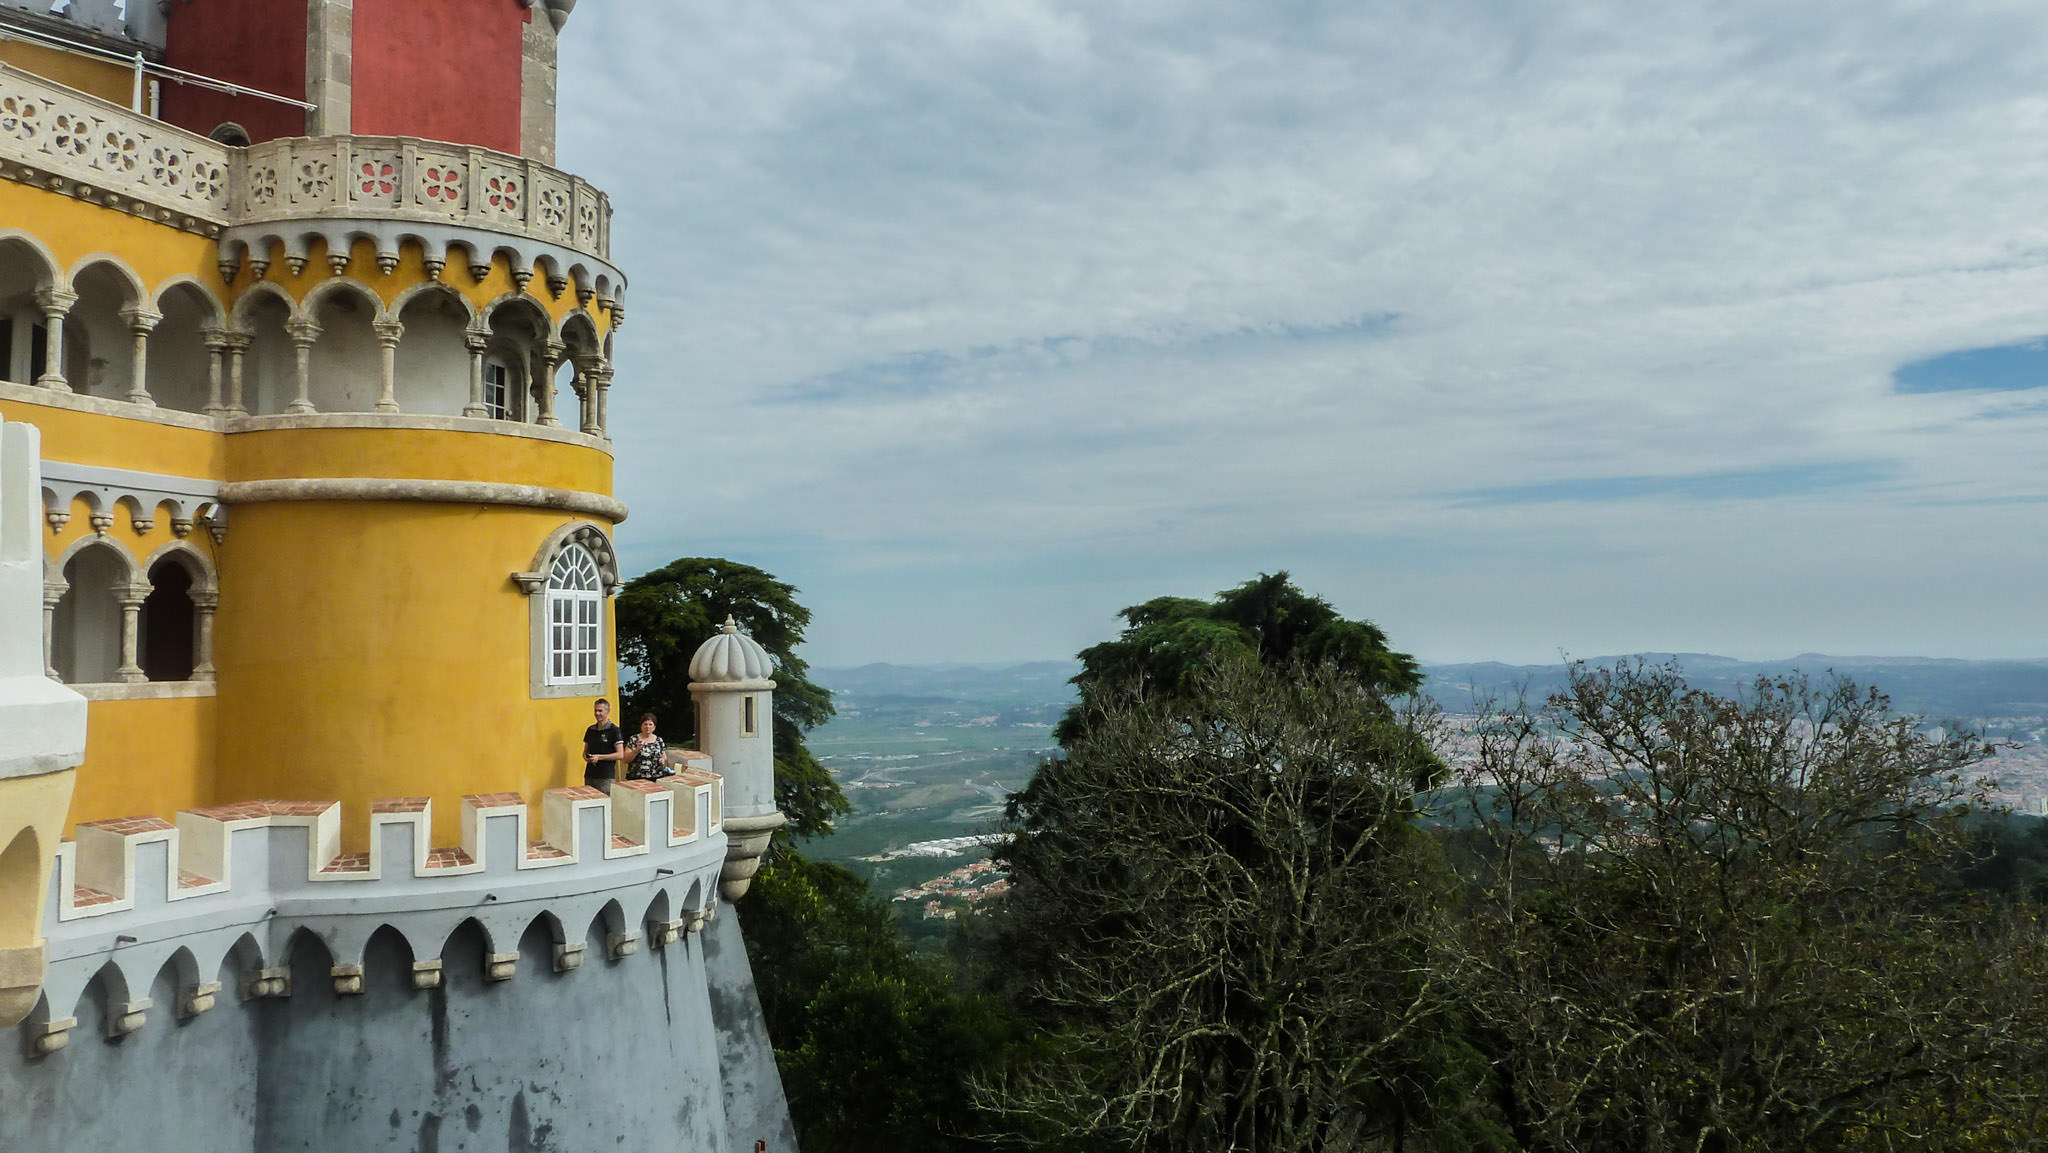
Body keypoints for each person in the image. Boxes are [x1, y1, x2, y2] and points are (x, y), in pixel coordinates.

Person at [582, 698, 625, 794]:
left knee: (604, 802)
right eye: (595, 710)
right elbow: (585, 752)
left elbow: (620, 754)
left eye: (600, 711)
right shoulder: (590, 729)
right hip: (590, 774)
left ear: (608, 711)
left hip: (605, 775)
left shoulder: (614, 730)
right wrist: (587, 757)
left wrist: (599, 757)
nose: (597, 713)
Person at [624, 712, 673, 781]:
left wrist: (662, 760)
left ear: (654, 727)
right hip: (637, 778)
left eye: (650, 724)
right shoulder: (633, 739)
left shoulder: (659, 740)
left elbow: (664, 756)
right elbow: (625, 759)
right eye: (645, 724)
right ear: (641, 726)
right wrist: (636, 750)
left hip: (656, 777)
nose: (647, 727)